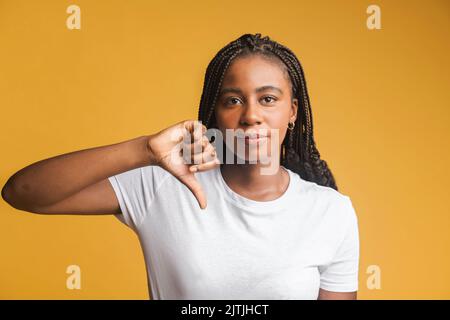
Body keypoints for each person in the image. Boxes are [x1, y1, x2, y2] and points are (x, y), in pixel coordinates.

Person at [2, 33, 359, 300]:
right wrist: (143, 150)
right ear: (214, 113)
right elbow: (23, 192)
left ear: (292, 111)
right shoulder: (164, 184)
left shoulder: (331, 212)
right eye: (233, 100)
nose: (251, 116)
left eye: (268, 99)